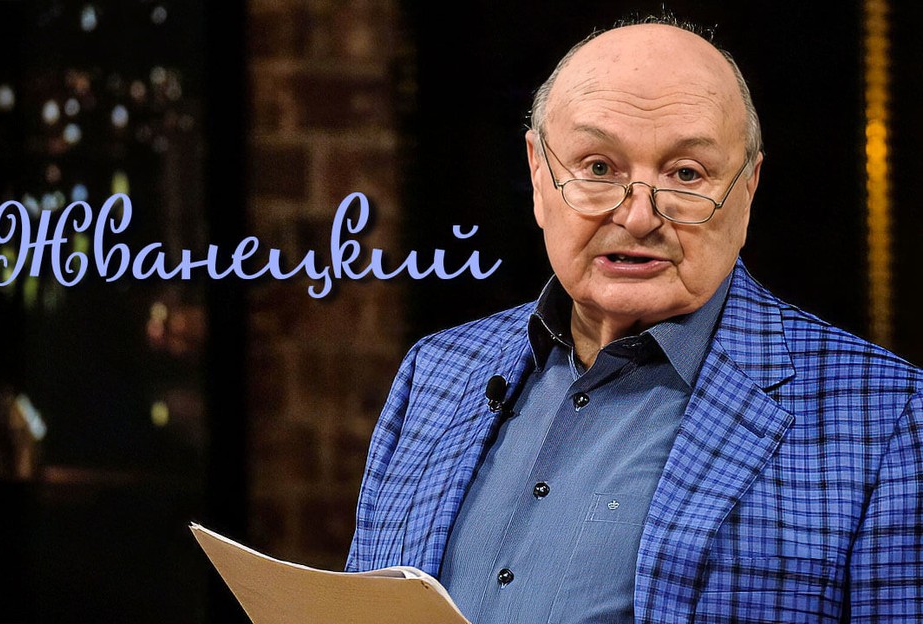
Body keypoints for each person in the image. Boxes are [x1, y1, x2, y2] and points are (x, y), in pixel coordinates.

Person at [345, 18, 922, 624]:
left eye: (686, 175)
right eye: (598, 168)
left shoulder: (886, 415)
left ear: (748, 188)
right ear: (539, 174)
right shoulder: (437, 371)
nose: (640, 216)